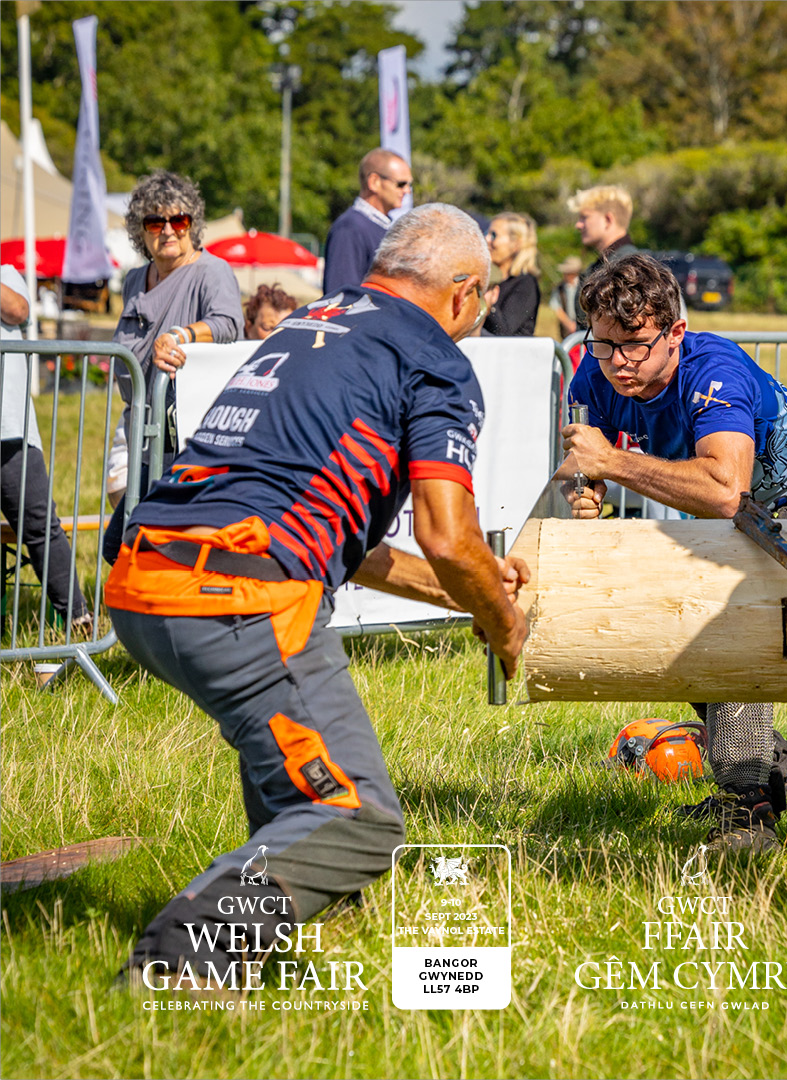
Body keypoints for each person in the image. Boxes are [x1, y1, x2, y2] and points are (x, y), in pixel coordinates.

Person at [104, 204, 529, 981]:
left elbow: (345, 544)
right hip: (237, 596)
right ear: (465, 293)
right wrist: (504, 625)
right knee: (358, 816)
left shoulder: (315, 323)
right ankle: (181, 958)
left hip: (144, 575)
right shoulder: (434, 360)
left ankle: (317, 922)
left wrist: (469, 593)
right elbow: (447, 534)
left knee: (291, 766)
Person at [563, 254, 787, 855]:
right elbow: (579, 464)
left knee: (731, 624)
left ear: (675, 333)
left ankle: (748, 809)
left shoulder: (714, 370)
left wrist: (613, 463)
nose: (618, 362)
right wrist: (584, 489)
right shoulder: (594, 373)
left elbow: (724, 489)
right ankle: (762, 772)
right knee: (675, 620)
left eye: (634, 344)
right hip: (728, 509)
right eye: (603, 345)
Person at [105, 170, 244, 560]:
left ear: (192, 224)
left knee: (129, 547)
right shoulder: (135, 280)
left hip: (189, 443)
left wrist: (182, 335)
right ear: (141, 230)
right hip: (142, 438)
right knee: (128, 547)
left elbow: (229, 324)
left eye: (178, 220)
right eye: (155, 221)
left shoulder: (211, 271)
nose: (168, 230)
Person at [1, 264, 90, 634]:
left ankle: (78, 622)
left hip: (9, 431)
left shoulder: (7, 274)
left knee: (39, 525)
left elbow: (18, 310)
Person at [322, 148, 413, 295]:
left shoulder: (385, 227)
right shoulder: (350, 229)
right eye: (401, 184)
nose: (407, 191)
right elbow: (340, 297)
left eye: (409, 185)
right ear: (374, 182)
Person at [567, 185, 639, 330]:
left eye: (584, 217)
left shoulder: (628, 266)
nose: (578, 225)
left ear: (608, 219)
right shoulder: (606, 263)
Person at [483, 212, 541, 336]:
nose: (486, 239)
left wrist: (488, 304)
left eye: (494, 235)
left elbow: (504, 330)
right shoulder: (489, 278)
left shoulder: (525, 283)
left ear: (515, 244)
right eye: (487, 233)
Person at [549, 255, 583, 338]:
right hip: (567, 330)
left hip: (582, 327)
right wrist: (569, 324)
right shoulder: (559, 288)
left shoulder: (583, 286)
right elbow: (557, 308)